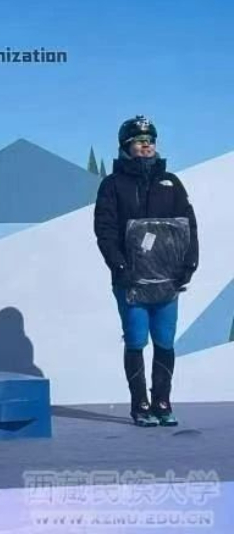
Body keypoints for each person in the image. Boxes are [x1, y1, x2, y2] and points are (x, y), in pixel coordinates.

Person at [94, 116, 198, 427]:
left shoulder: (171, 183)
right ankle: (140, 404)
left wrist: (189, 264)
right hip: (131, 280)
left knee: (165, 339)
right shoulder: (112, 185)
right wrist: (119, 266)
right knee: (137, 339)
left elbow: (188, 226)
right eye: (140, 141)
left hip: (167, 279)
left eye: (150, 140)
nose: (147, 145)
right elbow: (105, 230)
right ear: (126, 146)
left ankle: (162, 402)